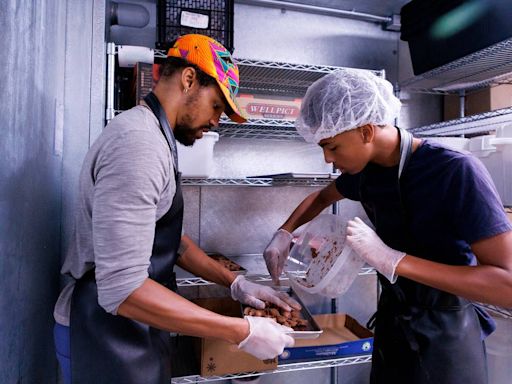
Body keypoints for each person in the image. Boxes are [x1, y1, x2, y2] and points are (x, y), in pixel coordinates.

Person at [53, 34, 299, 384]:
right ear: (188, 79)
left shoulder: (156, 138)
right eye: (216, 106)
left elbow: (171, 241)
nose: (217, 121)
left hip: (132, 329)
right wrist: (240, 330)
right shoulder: (139, 146)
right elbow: (123, 289)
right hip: (102, 333)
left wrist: (235, 283)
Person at [263, 68, 512, 383]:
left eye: (332, 146)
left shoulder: (455, 172)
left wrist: (396, 261)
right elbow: (321, 198)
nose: (327, 159)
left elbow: (506, 285)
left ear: (367, 132)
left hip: (447, 335)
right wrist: (284, 232)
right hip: (394, 324)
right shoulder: (366, 171)